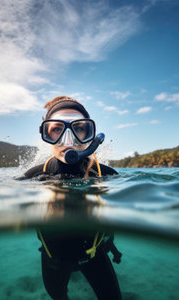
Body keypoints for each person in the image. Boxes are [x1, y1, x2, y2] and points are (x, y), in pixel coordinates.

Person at [21, 96, 122, 300]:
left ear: (89, 134)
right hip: (53, 261)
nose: (68, 140)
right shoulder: (33, 177)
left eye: (79, 128)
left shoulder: (107, 175)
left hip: (95, 256)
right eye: (57, 129)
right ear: (45, 134)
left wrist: (110, 242)